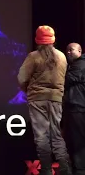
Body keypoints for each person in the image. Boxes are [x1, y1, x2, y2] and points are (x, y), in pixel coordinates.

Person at [17, 25, 72, 175]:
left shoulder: (33, 56)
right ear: (53, 40)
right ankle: (66, 169)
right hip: (56, 99)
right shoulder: (62, 56)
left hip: (37, 100)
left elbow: (22, 78)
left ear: (38, 40)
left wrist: (28, 91)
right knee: (56, 134)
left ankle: (46, 171)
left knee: (41, 136)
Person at [62, 43, 85, 175]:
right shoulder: (75, 65)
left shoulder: (80, 65)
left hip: (78, 109)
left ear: (80, 51)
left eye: (71, 50)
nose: (68, 53)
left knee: (77, 145)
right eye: (67, 50)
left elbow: (64, 80)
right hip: (75, 109)